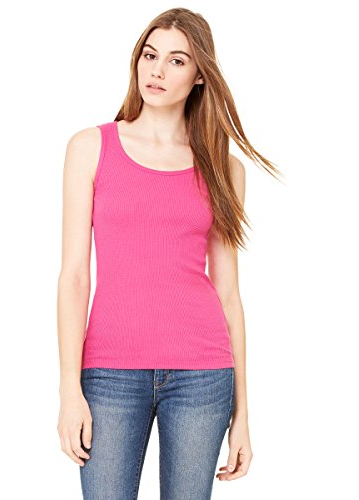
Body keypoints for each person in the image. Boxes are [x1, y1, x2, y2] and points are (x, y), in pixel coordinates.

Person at [57, 7, 281, 499]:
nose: (157, 70)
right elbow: (74, 276)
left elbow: (228, 293)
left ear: (200, 75)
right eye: (150, 55)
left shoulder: (224, 168)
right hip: (109, 373)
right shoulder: (90, 148)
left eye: (177, 61)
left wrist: (243, 414)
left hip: (203, 374)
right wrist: (69, 390)